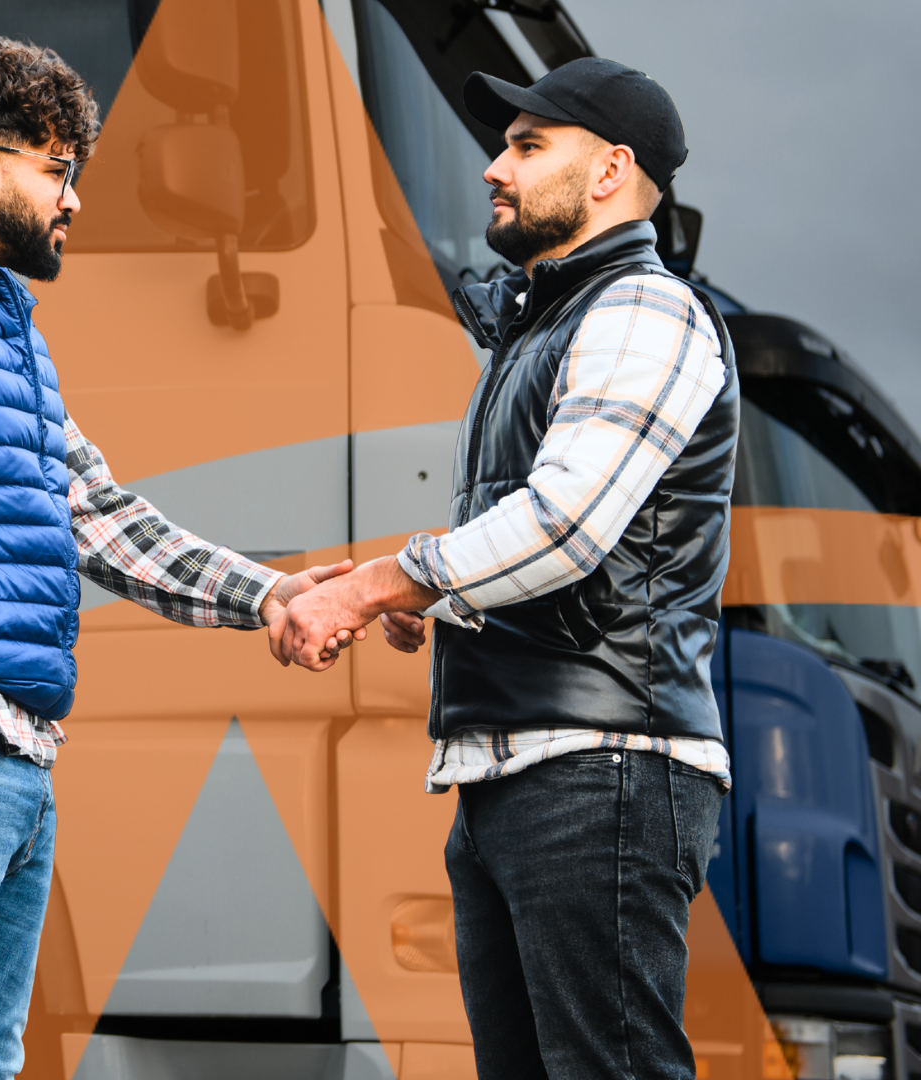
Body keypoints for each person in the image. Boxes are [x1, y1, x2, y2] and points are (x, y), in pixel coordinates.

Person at [0, 33, 350, 1080]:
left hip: (9, 748)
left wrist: (267, 595)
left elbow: (97, 515)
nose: (74, 200)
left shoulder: (5, 326)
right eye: (58, 169)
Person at [274, 58, 737, 1079]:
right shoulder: (547, 327)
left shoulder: (640, 314)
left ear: (611, 171)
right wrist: (436, 592)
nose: (495, 168)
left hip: (604, 760)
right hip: (523, 772)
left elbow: (565, 527)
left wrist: (385, 583)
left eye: (529, 147)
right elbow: (543, 540)